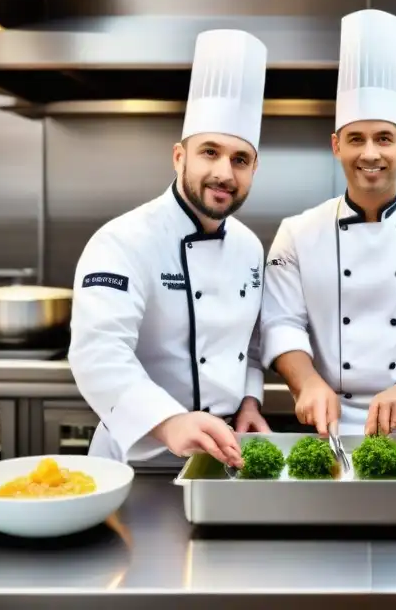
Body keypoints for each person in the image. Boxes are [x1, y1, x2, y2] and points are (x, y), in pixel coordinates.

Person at [260, 9, 396, 437]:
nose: (371, 154)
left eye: (384, 138)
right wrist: (306, 384)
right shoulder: (297, 232)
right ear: (336, 146)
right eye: (356, 139)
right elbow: (281, 322)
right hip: (329, 419)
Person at [68, 29, 271, 468]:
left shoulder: (250, 247)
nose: (224, 173)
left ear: (254, 168)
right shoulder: (122, 241)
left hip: (226, 455)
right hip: (139, 459)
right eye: (209, 152)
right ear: (179, 157)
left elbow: (251, 345)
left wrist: (250, 402)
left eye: (240, 159)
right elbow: (98, 354)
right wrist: (168, 421)